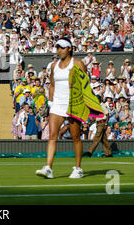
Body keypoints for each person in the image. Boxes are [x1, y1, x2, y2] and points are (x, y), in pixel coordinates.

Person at [36, 37, 94, 179]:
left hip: (74, 104)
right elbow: (52, 85)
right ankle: (49, 167)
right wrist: (50, 103)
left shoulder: (79, 64)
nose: (59, 50)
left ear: (69, 49)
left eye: (62, 47)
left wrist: (85, 105)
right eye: (57, 48)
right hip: (57, 104)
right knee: (52, 136)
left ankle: (78, 168)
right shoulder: (54, 66)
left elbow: (85, 86)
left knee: (75, 137)